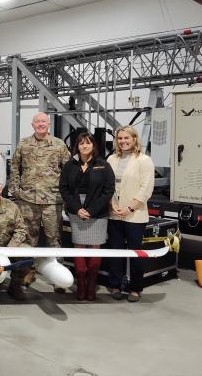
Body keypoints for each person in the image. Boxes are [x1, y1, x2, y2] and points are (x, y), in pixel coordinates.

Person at [9, 112, 70, 290]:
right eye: (37, 122)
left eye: (43, 121)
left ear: (48, 124)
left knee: (54, 239)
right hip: (28, 200)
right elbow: (14, 167)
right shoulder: (24, 144)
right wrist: (15, 190)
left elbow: (67, 171)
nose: (40, 124)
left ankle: (58, 279)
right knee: (28, 240)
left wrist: (64, 195)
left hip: (52, 201)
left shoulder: (59, 145)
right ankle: (26, 276)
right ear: (32, 124)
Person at [59, 132, 115, 301]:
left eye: (88, 143)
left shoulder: (103, 165)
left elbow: (108, 190)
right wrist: (77, 209)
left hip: (97, 213)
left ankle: (92, 285)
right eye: (81, 143)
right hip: (77, 212)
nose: (84, 146)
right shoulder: (70, 165)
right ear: (77, 146)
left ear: (93, 146)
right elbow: (64, 189)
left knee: (95, 250)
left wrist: (92, 210)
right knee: (79, 249)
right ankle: (81, 285)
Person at [106, 126, 155, 302]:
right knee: (116, 251)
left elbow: (146, 189)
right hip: (115, 213)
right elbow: (108, 186)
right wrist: (112, 205)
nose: (123, 141)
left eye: (127, 138)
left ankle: (135, 288)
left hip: (135, 215)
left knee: (135, 253)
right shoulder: (111, 159)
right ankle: (115, 285)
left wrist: (129, 208)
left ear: (134, 139)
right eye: (120, 138)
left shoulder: (144, 160)